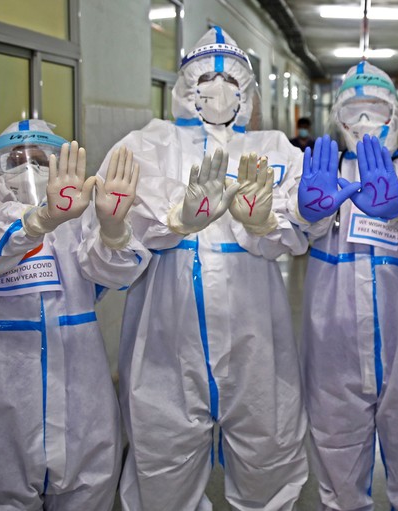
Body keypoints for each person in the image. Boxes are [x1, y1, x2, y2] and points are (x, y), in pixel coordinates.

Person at [102, 26, 309, 510]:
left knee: (269, 465)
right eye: (206, 79)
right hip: (166, 350)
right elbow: (115, 248)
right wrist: (173, 221)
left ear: (249, 92)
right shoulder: (146, 145)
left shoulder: (275, 150)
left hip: (257, 345)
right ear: (184, 88)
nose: (218, 90)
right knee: (162, 474)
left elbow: (299, 231)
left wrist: (267, 223)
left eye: (231, 80)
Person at [0, 119, 150, 510]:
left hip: (82, 409)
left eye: (38, 160)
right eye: (15, 160)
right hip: (0, 414)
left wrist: (113, 228)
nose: (27, 169)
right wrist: (39, 221)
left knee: (88, 496)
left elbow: (117, 272)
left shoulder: (79, 229)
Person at [294, 61, 398, 510]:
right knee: (338, 482)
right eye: (353, 111)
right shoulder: (321, 172)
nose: (364, 122)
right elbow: (290, 237)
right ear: (337, 117)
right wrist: (309, 213)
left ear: (394, 114)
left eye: (374, 110)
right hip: (333, 352)